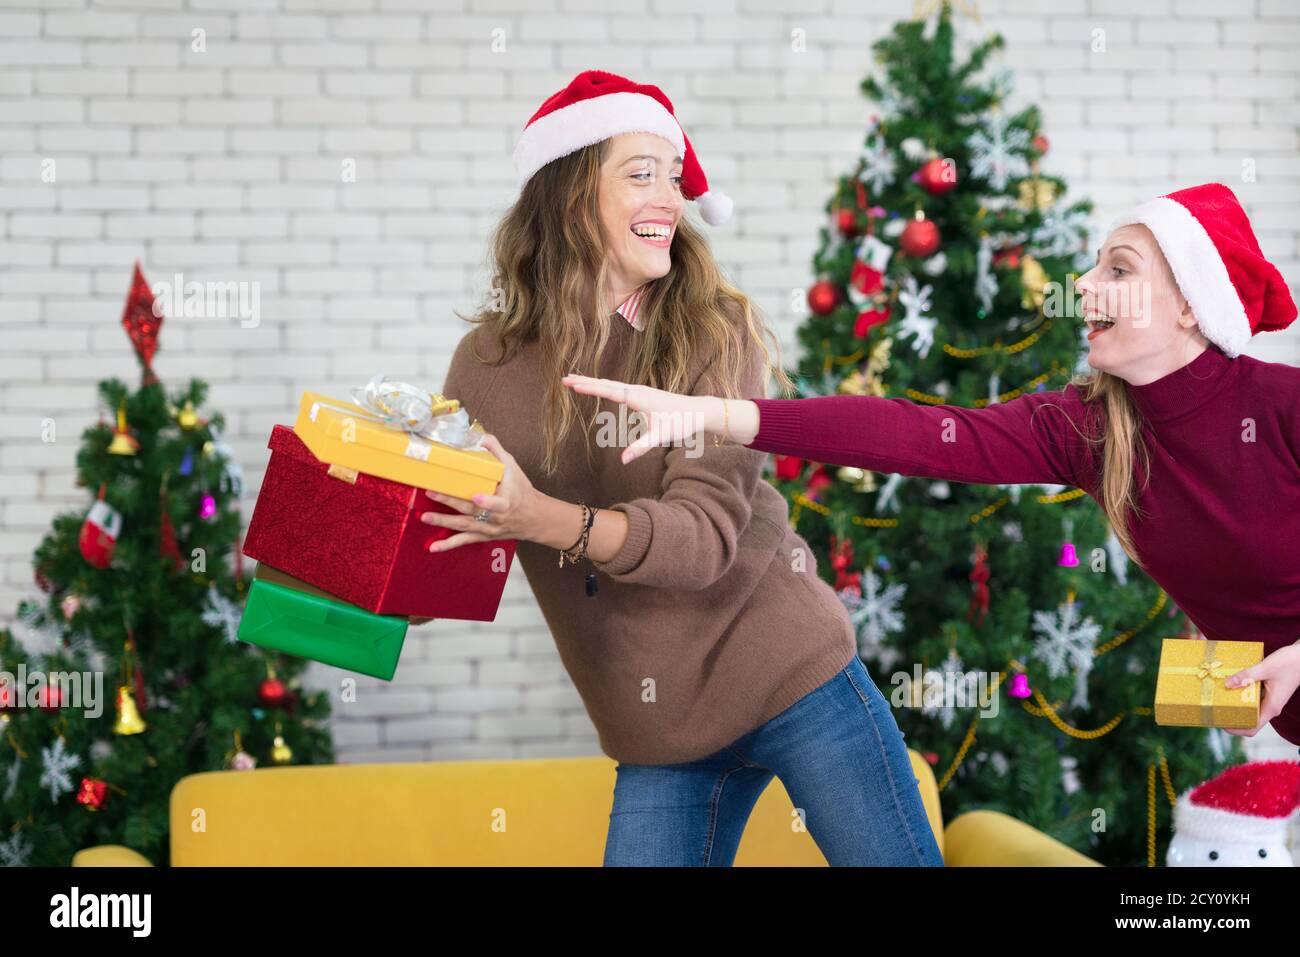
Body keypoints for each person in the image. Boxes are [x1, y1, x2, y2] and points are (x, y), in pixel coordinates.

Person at [565, 182, 1300, 749]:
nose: (1083, 284)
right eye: (1092, 265)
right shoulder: (1094, 430)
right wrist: (719, 413)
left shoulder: (1282, 406)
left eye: (1119, 269)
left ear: (1189, 306)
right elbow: (917, 434)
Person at [427, 70, 944, 866]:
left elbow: (702, 540)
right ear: (569, 196)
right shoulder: (485, 364)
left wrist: (543, 518)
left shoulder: (712, 329)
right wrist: (338, 562)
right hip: (657, 722)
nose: (670, 198)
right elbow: (451, 537)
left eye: (674, 176)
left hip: (789, 671)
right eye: (642, 174)